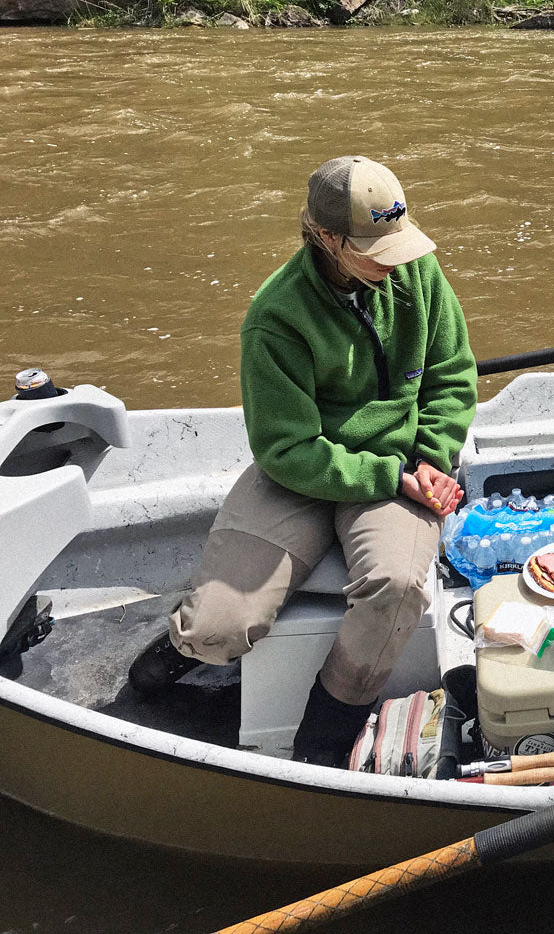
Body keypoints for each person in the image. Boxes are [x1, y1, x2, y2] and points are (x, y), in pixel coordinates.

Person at [129, 156, 478, 766]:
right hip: (302, 473)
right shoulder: (276, 316)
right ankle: (184, 648)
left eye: (398, 240)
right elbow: (286, 448)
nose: (392, 259)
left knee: (397, 588)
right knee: (219, 628)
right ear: (326, 238)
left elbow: (451, 378)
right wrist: (387, 475)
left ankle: (328, 726)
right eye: (373, 248)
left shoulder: (418, 271)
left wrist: (427, 459)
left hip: (399, 465)